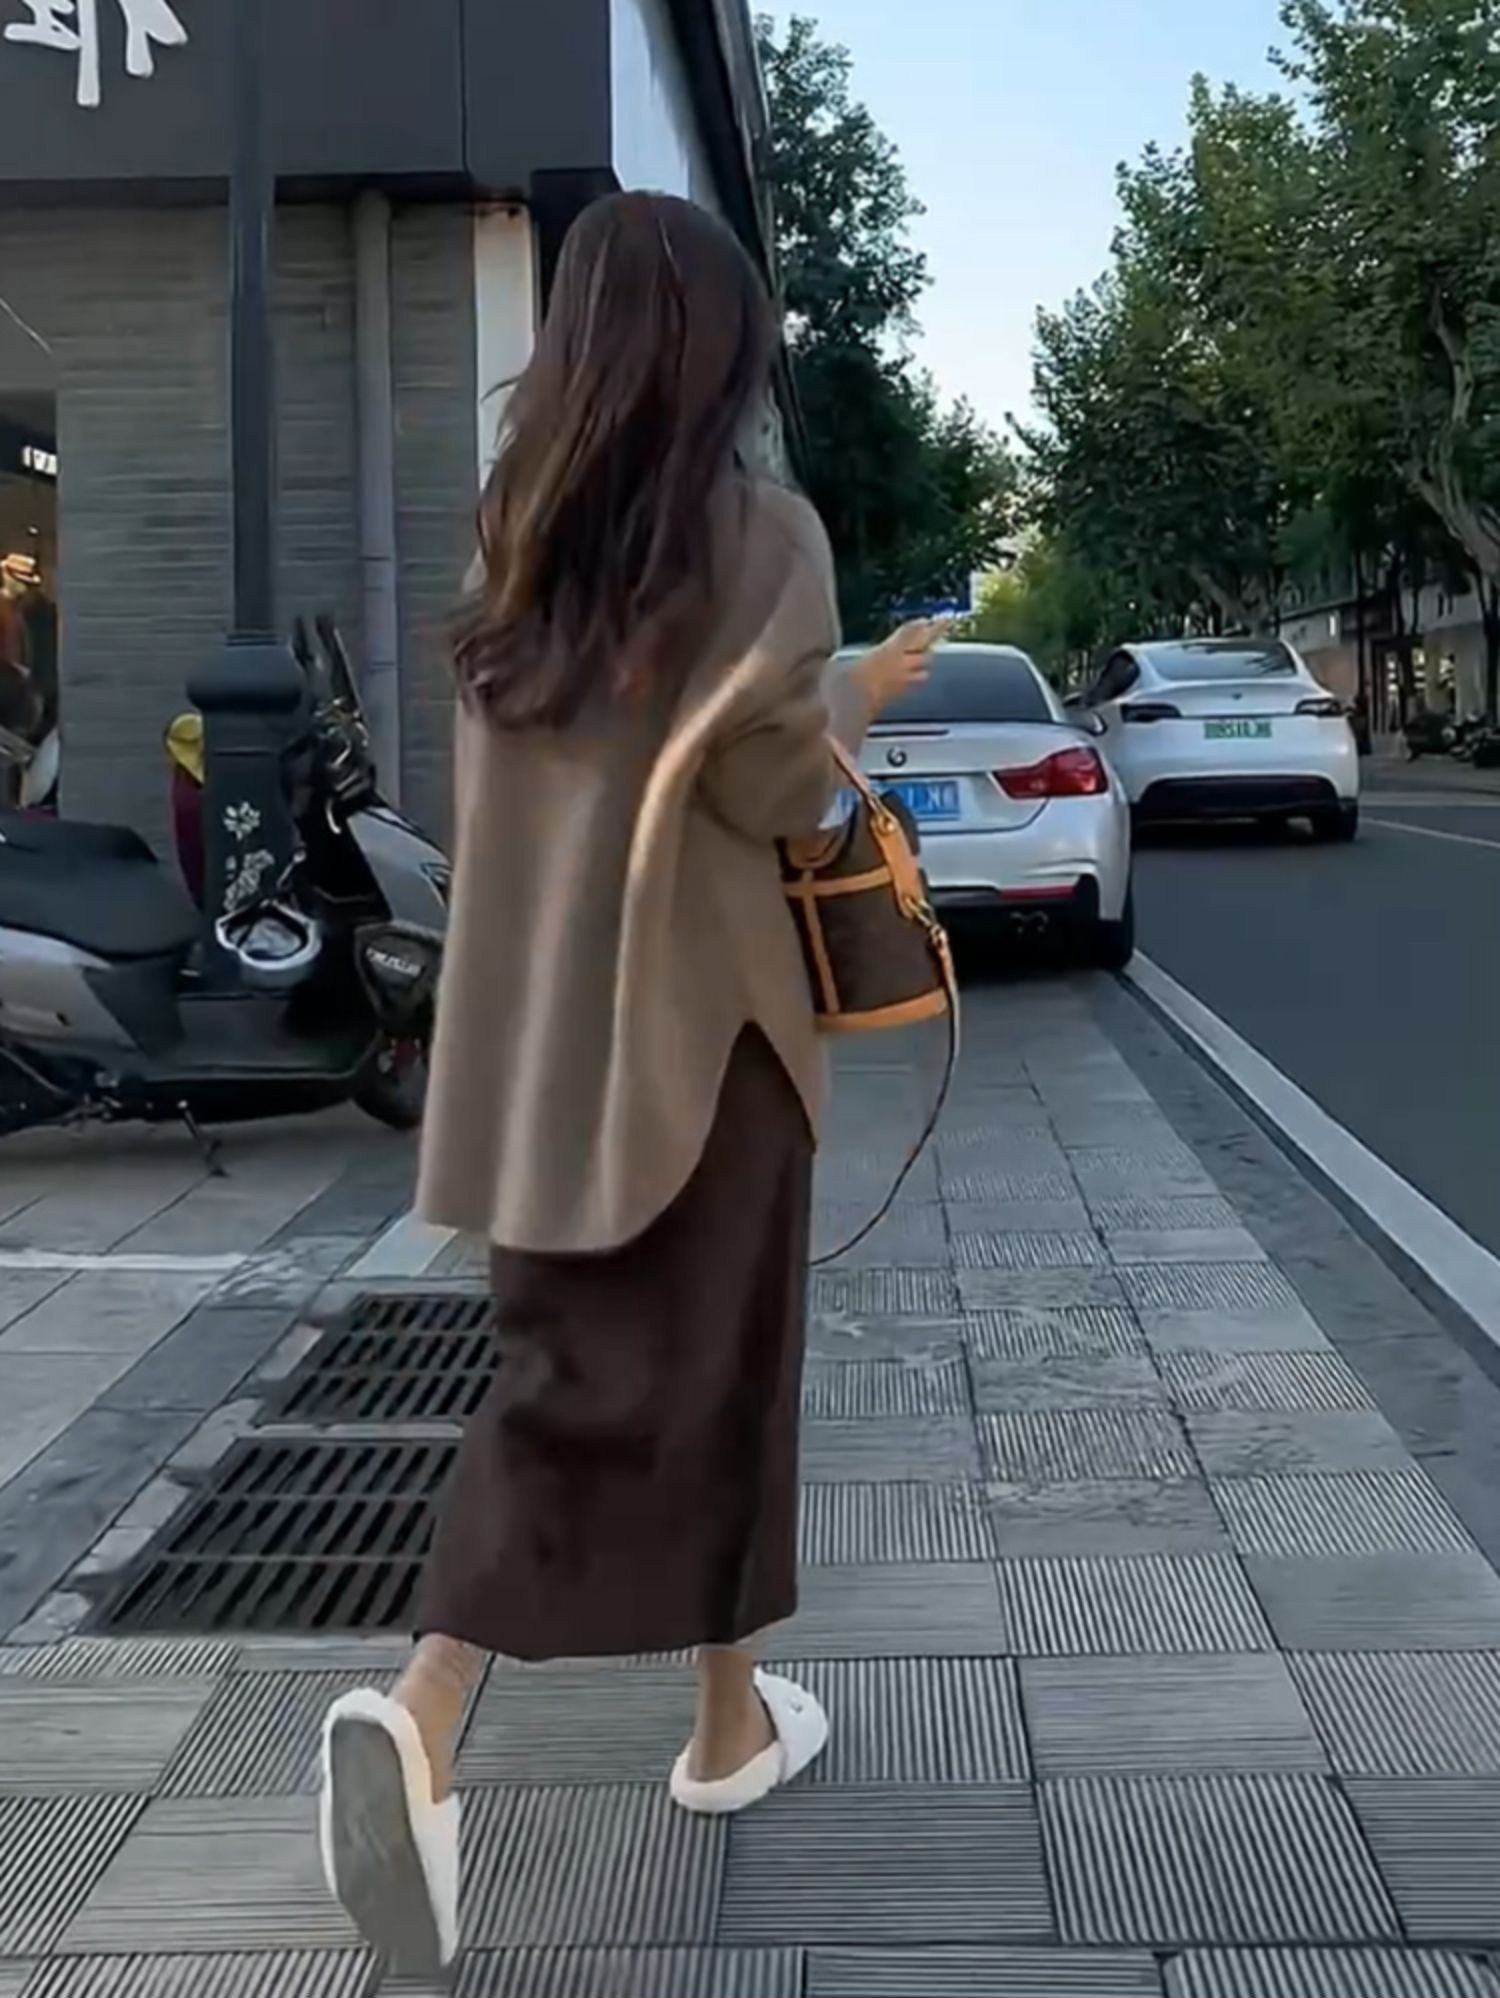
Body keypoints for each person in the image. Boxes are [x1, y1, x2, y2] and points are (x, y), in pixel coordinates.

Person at [315, 190, 944, 1974]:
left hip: (529, 1050)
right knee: (715, 1379)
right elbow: (775, 787)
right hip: (705, 1043)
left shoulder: (516, 528)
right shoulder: (760, 533)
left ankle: (679, 1720)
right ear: (721, 349)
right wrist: (857, 694)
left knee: (571, 1371)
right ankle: (461, 1716)